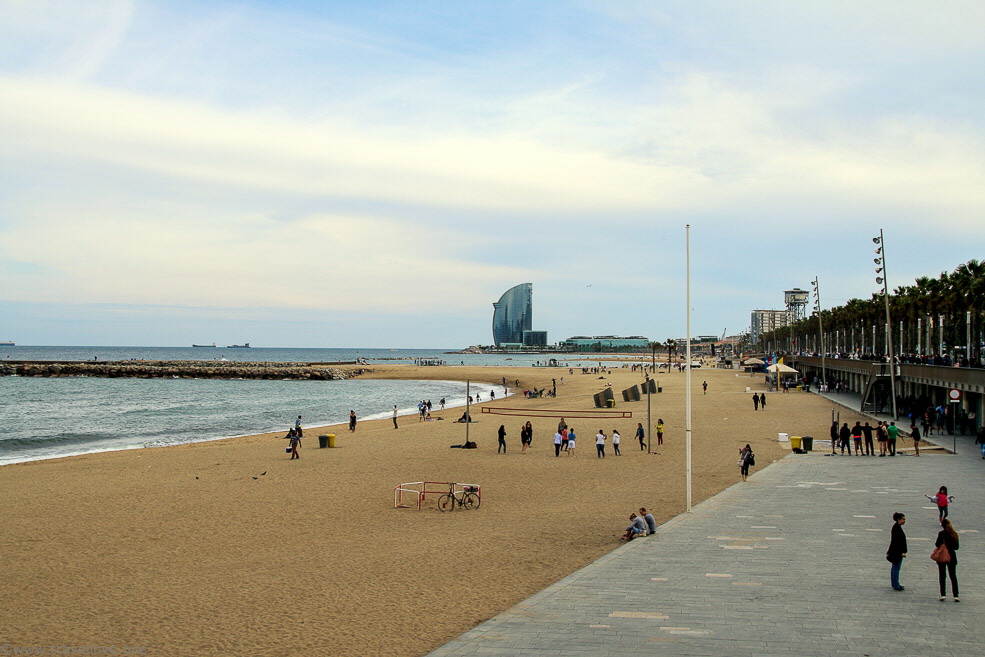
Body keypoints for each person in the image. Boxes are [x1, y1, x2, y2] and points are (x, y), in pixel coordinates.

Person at [935, 518, 960, 602]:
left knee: (942, 575)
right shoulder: (954, 534)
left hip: (943, 556)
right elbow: (956, 547)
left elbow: (937, 544)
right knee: (953, 576)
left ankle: (943, 594)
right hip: (952, 556)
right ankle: (956, 595)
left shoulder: (941, 534)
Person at [887, 512, 907, 591]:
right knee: (896, 568)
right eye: (903, 519)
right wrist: (902, 552)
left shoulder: (896, 527)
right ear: (898, 520)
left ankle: (894, 583)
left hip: (895, 551)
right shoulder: (897, 529)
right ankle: (896, 584)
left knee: (894, 567)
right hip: (897, 552)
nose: (904, 521)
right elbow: (898, 542)